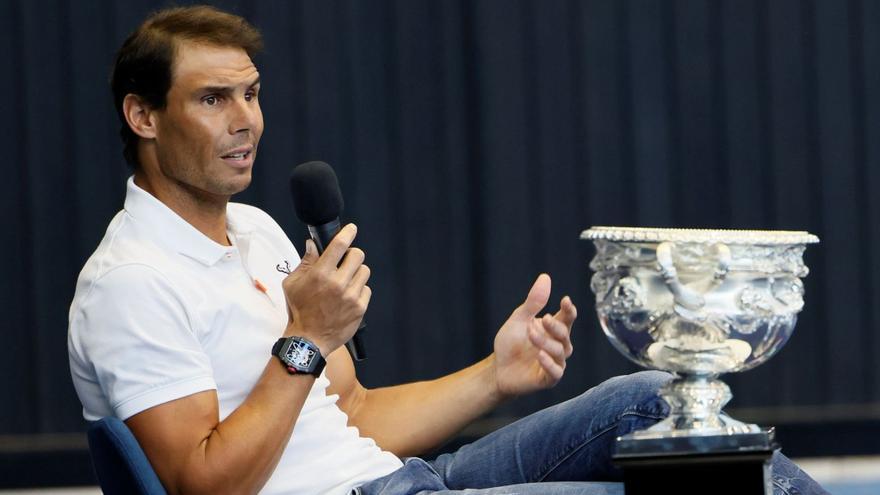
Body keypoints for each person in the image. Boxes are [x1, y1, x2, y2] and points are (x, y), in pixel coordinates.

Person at [68, 5, 826, 495]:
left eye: (252, 93)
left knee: (654, 397)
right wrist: (302, 340)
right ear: (142, 114)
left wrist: (495, 376)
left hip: (405, 477)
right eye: (212, 99)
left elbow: (355, 414)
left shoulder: (260, 229)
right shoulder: (131, 281)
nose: (246, 120)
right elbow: (202, 485)